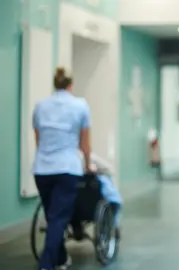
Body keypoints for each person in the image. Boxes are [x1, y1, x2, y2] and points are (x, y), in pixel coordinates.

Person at [32, 67, 91, 270]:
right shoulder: (80, 106)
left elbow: (38, 141)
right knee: (57, 218)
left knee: (52, 216)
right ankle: (46, 265)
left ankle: (61, 258)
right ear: (71, 85)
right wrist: (88, 163)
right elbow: (84, 144)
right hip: (67, 168)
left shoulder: (40, 106)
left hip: (42, 169)